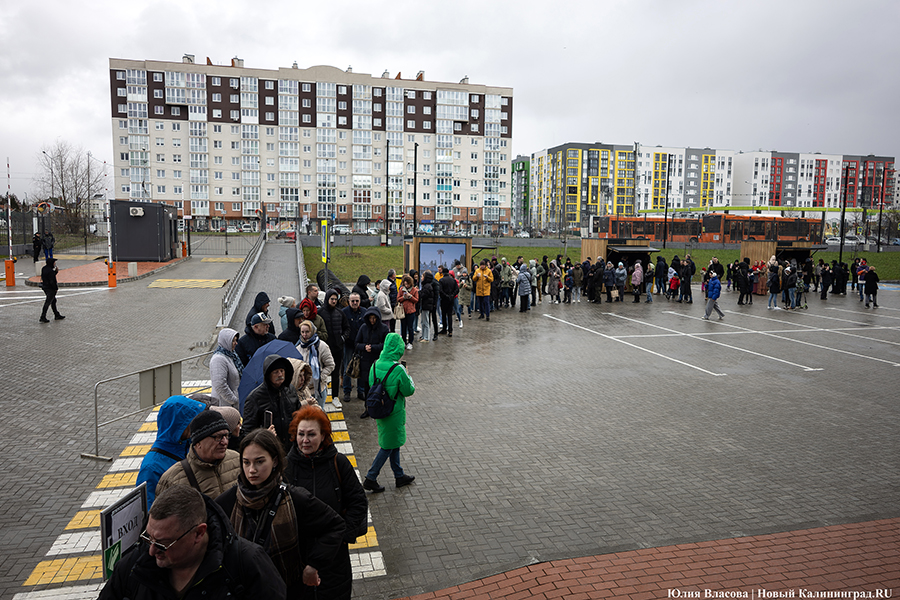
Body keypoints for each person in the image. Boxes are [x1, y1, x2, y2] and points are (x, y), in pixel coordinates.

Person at [215, 429, 345, 599]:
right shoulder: (227, 502)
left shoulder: (295, 498)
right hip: (245, 591)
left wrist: (313, 564)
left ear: (275, 461)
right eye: (246, 462)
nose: (252, 470)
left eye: (259, 461)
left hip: (289, 591)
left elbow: (335, 525)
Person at [99, 485, 286, 600]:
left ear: (199, 533)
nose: (151, 550)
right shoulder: (132, 567)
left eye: (164, 543)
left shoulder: (247, 565)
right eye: (148, 537)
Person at [284, 406, 369, 600]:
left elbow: (358, 502)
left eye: (311, 434)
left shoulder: (339, 463)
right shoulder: (286, 467)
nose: (305, 440)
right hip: (299, 559)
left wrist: (342, 537)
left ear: (323, 436)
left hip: (334, 560)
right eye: (301, 434)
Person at [362, 333, 416, 493]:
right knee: (387, 446)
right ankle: (371, 477)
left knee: (393, 443)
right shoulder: (398, 369)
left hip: (379, 409)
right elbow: (408, 390)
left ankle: (399, 476)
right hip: (394, 412)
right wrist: (408, 375)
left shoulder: (375, 364)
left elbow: (372, 383)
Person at [136, 395, 207, 507]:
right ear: (178, 424)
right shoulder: (151, 468)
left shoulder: (187, 444)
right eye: (190, 421)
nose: (195, 425)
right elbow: (148, 510)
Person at [157, 410, 241, 499]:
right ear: (198, 443)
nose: (225, 442)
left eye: (226, 436)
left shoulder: (237, 460)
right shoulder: (173, 480)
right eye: (217, 437)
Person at [243, 354, 300, 452]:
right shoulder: (255, 398)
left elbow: (299, 413)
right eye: (276, 372)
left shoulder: (291, 390)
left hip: (292, 448)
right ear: (268, 375)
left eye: (282, 371)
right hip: (269, 450)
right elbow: (247, 432)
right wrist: (263, 435)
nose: (280, 375)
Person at [356, 306, 388, 415]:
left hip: (378, 361)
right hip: (365, 361)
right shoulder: (364, 328)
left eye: (374, 318)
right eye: (370, 318)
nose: (372, 321)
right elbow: (357, 343)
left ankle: (378, 406)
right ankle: (368, 408)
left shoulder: (384, 329)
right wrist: (364, 347)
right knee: (366, 386)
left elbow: (385, 345)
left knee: (379, 385)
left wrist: (373, 348)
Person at [296, 320, 335, 408]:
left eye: (307, 332)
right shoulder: (298, 348)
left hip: (319, 389)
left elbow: (330, 365)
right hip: (304, 390)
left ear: (313, 331)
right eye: (302, 332)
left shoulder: (322, 346)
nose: (304, 335)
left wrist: (322, 377)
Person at [319, 289, 349, 400]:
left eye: (336, 299)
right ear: (327, 299)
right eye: (332, 299)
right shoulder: (320, 313)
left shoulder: (340, 313)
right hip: (324, 349)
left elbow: (347, 328)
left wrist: (342, 338)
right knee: (323, 373)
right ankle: (322, 395)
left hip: (337, 348)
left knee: (336, 373)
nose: (334, 301)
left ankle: (335, 396)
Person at [341, 292, 366, 401]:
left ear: (359, 301)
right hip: (349, 344)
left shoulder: (364, 312)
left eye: (357, 301)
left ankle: (361, 391)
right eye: (352, 301)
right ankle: (347, 391)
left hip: (361, 345)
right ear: (349, 301)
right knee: (347, 367)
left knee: (361, 367)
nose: (355, 303)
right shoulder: (344, 312)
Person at [210, 327, 242, 408]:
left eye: (236, 340)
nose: (236, 343)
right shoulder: (218, 359)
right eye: (233, 341)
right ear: (226, 341)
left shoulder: (231, 355)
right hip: (223, 406)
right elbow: (220, 385)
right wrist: (234, 400)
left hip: (230, 405)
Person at [39, 257, 65, 323]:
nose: (55, 264)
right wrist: (56, 288)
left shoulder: (44, 268)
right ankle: (43, 316)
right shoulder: (50, 271)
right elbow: (52, 280)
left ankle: (56, 314)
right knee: (48, 302)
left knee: (53, 301)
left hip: (45, 287)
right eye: (54, 263)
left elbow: (47, 277)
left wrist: (55, 272)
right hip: (50, 288)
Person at [398, 274, 419, 349]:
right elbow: (398, 299)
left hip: (411, 311)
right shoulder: (401, 289)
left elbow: (416, 300)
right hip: (403, 311)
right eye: (405, 284)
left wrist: (410, 296)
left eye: (407, 284)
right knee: (403, 327)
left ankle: (410, 342)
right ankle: (403, 341)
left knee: (410, 328)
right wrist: (404, 297)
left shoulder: (414, 290)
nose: (406, 285)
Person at [438, 266, 459, 337]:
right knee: (450, 315)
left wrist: (446, 296)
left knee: (444, 315)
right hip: (451, 300)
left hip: (444, 300)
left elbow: (440, 290)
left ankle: (444, 329)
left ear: (443, 273)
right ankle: (450, 331)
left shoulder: (441, 280)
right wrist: (452, 295)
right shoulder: (453, 280)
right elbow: (457, 289)